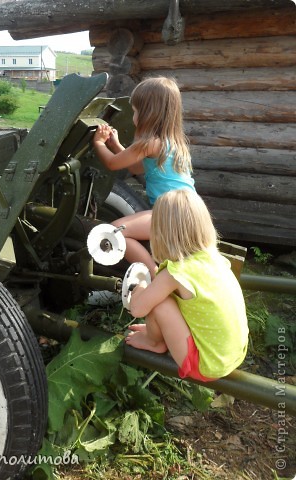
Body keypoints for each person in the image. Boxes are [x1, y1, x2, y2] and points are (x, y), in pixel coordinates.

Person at [125, 189, 249, 381]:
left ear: (160, 233)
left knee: (160, 303)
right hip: (232, 355)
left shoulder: (176, 273)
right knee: (168, 299)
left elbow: (138, 309)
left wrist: (140, 287)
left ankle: (153, 342)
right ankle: (154, 333)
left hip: (206, 364)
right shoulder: (214, 258)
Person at [92, 76, 195, 277]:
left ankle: (153, 274)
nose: (133, 117)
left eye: (136, 111)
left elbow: (113, 164)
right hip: (190, 210)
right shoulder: (172, 143)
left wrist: (99, 144)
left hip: (171, 212)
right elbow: (138, 168)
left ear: (148, 113)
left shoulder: (148, 143)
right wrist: (115, 145)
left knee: (115, 232)